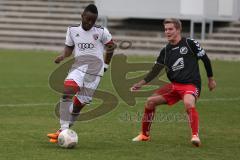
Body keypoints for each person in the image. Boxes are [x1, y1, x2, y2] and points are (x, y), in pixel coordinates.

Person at [131, 18, 216, 147]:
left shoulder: (190, 43)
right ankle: (144, 135)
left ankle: (195, 136)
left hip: (190, 85)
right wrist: (141, 83)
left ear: (178, 30)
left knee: (188, 102)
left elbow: (205, 59)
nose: (167, 32)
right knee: (150, 102)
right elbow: (155, 70)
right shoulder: (165, 51)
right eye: (166, 29)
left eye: (170, 29)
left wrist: (210, 79)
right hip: (174, 86)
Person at [47, 4, 115, 143]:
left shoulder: (101, 31)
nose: (90, 23)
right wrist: (63, 56)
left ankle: (62, 132)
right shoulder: (72, 30)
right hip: (78, 67)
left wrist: (106, 65)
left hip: (95, 72)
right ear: (82, 16)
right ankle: (64, 129)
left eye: (93, 20)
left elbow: (111, 46)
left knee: (78, 105)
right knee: (67, 91)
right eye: (88, 19)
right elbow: (69, 47)